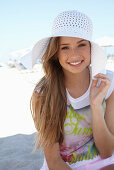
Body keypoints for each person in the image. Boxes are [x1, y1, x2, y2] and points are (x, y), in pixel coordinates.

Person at [29, 10, 114, 170]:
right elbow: (54, 161)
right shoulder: (44, 93)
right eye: (65, 47)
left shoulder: (107, 83)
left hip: (103, 163)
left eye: (81, 44)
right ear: (56, 53)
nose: (74, 55)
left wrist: (95, 106)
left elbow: (107, 151)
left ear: (90, 47)